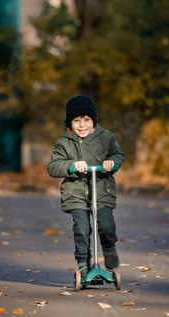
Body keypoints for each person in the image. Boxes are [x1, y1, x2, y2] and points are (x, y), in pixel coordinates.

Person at [47, 95, 125, 278]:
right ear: (69, 122)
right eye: (76, 121)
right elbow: (53, 166)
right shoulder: (63, 143)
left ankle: (110, 251)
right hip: (76, 192)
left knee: (106, 226)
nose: (82, 125)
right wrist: (71, 165)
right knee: (81, 230)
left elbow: (118, 154)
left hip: (101, 189)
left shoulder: (106, 138)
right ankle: (83, 264)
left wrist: (112, 163)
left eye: (87, 120)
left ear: (94, 121)